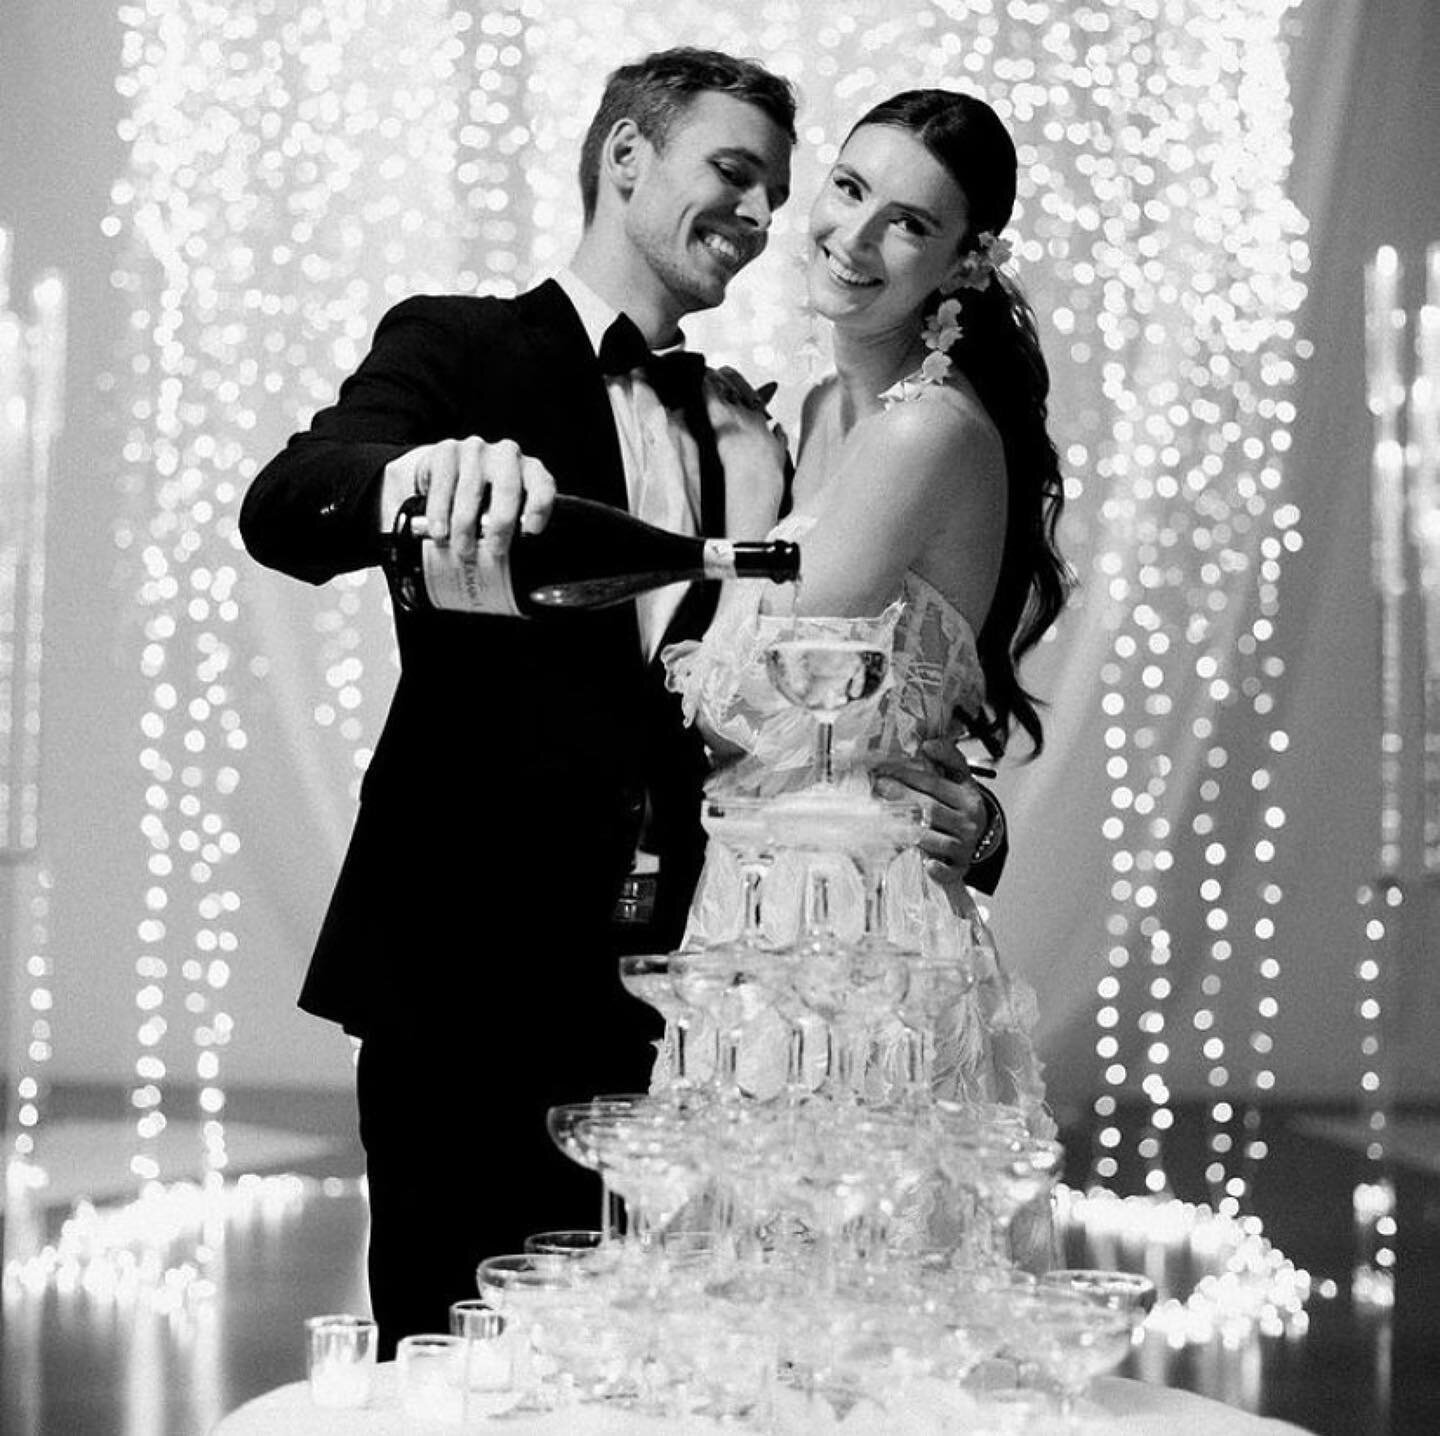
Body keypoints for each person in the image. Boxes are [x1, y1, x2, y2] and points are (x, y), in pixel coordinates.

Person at [239, 50, 1008, 1354]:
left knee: (668, 1380)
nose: (763, 215)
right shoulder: (460, 345)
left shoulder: (754, 430)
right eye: (734, 172)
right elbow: (292, 500)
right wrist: (418, 476)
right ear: (627, 159)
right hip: (471, 987)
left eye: (775, 185)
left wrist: (958, 825)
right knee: (461, 1368)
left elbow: (848, 684)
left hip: (692, 1005)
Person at [661, 88, 1071, 1129]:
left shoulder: (919, 434)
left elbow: (751, 701)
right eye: (849, 190)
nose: (856, 236)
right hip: (762, 900)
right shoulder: (820, 410)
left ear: (964, 263)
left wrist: (750, 482)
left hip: (850, 925)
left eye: (911, 224)